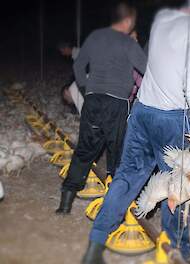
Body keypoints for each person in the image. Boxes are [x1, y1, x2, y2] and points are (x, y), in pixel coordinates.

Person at [82, 0, 190, 262]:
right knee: (175, 185)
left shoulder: (162, 18)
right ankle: (177, 250)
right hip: (171, 118)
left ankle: (95, 244)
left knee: (126, 177)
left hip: (142, 112)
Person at [56, 1, 147, 216]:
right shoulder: (128, 43)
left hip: (93, 100)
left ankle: (65, 202)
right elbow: (146, 69)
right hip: (116, 103)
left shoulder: (95, 36)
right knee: (118, 153)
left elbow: (78, 65)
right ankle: (116, 206)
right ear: (128, 20)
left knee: (85, 150)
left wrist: (86, 88)